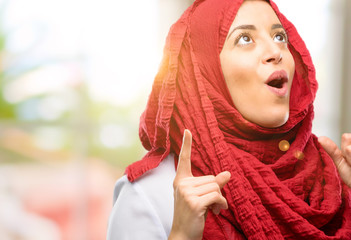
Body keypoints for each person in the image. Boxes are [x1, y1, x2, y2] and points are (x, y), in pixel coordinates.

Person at [107, 0, 351, 239]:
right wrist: (181, 235)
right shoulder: (149, 196)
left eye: (279, 37)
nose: (275, 52)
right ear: (203, 71)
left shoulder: (331, 182)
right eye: (245, 39)